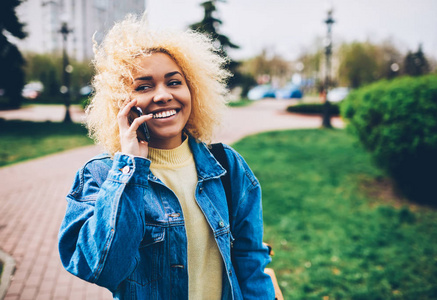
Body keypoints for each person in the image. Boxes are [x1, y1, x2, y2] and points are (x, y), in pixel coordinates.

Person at [58, 15, 275, 300]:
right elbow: (103, 269)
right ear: (122, 101)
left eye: (174, 82)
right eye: (144, 86)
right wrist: (130, 169)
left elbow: (249, 260)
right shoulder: (102, 174)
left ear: (193, 89)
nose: (162, 95)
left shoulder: (227, 166)